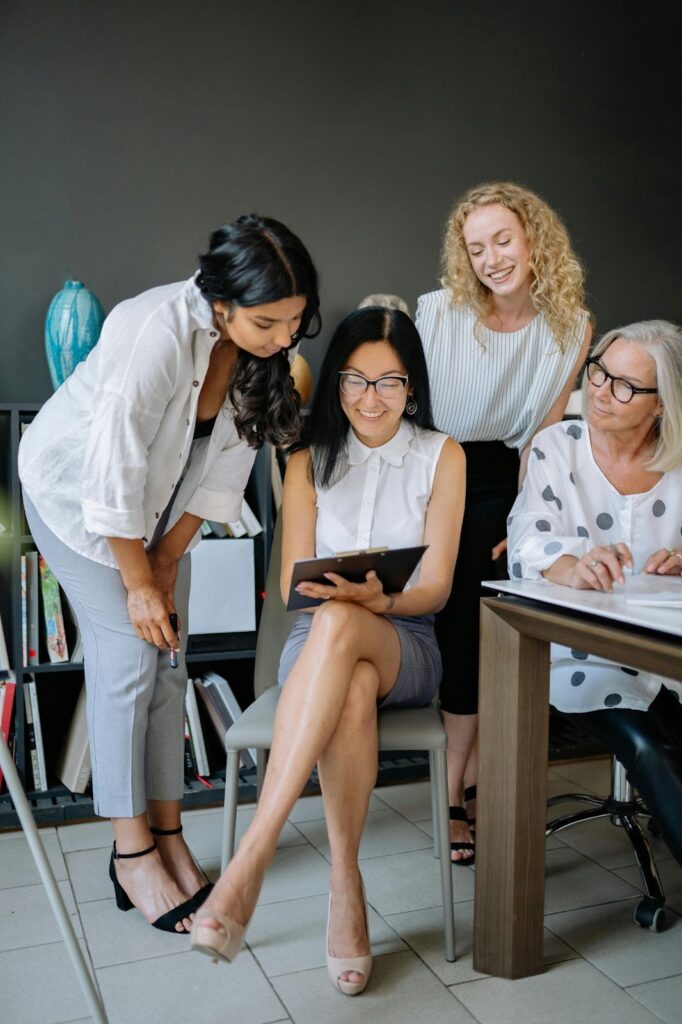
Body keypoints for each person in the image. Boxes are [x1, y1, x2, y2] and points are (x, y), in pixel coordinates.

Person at [18, 214, 320, 933]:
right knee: (128, 658)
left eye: (296, 321)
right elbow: (111, 474)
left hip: (159, 511)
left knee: (169, 663)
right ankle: (130, 855)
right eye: (270, 321)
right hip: (76, 499)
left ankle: (169, 833)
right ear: (221, 305)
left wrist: (168, 558)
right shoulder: (151, 330)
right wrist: (139, 581)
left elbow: (225, 471)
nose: (286, 338)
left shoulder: (258, 348)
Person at [190, 306, 465, 994]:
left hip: (408, 640)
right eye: (354, 381)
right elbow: (292, 582)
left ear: (413, 387)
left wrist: (382, 601)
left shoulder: (443, 455)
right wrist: (344, 597)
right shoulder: (307, 456)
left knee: (348, 625)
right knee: (341, 655)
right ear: (336, 382)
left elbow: (434, 589)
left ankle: (253, 854)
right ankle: (347, 884)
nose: (370, 399)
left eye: (388, 382)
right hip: (319, 646)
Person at [416, 181, 592, 861]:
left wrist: (525, 521)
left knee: (508, 613)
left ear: (533, 239)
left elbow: (544, 438)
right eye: (476, 247)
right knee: (465, 615)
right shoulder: (437, 314)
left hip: (505, 481)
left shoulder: (572, 326)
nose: (491, 258)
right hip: (436, 475)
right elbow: (411, 423)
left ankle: (486, 779)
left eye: (503, 240)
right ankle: (456, 789)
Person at [507, 319, 682, 863]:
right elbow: (526, 539)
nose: (602, 392)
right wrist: (571, 565)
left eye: (625, 386)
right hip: (579, 652)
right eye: (600, 373)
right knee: (652, 747)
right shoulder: (557, 448)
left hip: (665, 652)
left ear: (662, 405)